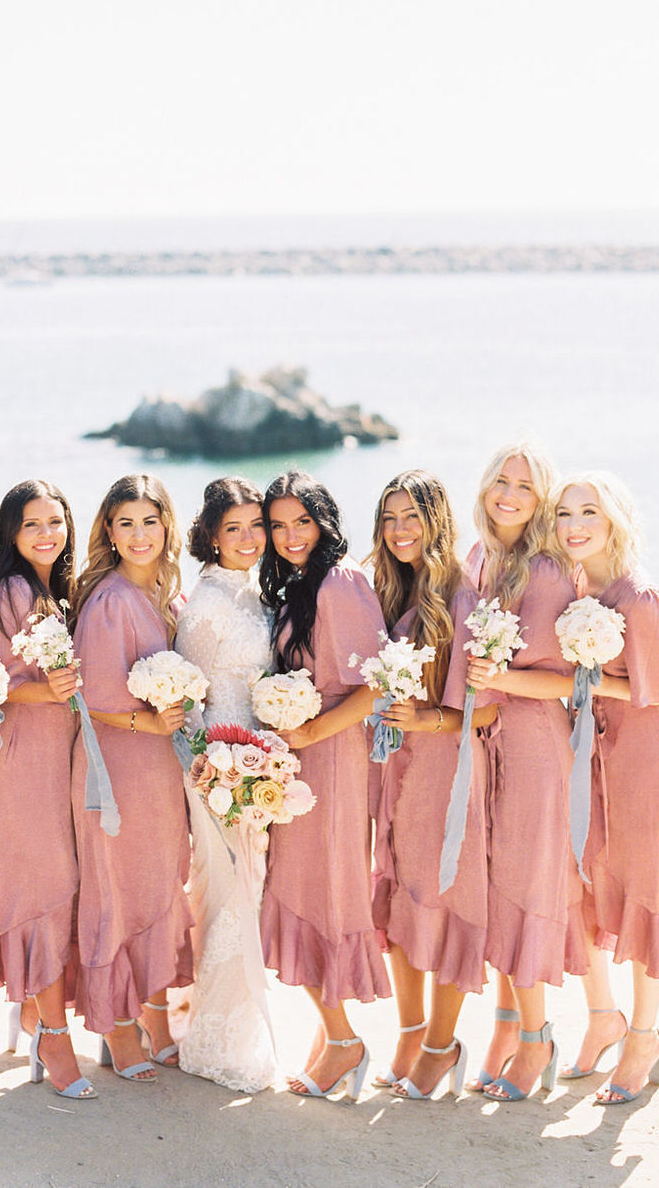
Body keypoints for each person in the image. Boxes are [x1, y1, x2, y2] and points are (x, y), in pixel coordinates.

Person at [552, 473, 659, 1105]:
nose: (575, 524)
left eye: (589, 511)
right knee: (579, 880)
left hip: (645, 759)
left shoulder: (640, 597)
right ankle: (602, 1014)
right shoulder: (574, 589)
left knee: (643, 890)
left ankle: (644, 1036)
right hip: (590, 754)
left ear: (613, 520)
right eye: (564, 513)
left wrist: (584, 683)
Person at [460, 443, 587, 1101]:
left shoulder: (546, 571)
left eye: (526, 487)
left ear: (541, 502)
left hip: (536, 745)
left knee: (522, 886)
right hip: (485, 742)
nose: (509, 494)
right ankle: (509, 1026)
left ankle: (538, 1038)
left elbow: (567, 676)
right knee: (493, 886)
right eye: (501, 481)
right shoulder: (481, 558)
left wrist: (499, 677)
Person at [258, 470, 390, 1101]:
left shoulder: (342, 582)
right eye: (278, 525)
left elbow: (375, 684)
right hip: (297, 760)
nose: (289, 536)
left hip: (332, 760)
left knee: (324, 892)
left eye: (301, 522)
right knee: (297, 887)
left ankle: (345, 1040)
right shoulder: (296, 585)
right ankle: (331, 1034)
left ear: (324, 520)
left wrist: (313, 735)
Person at [368, 472, 498, 1100]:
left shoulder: (462, 600)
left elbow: (489, 709)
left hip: (446, 773)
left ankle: (443, 1046)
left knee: (444, 902)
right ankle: (410, 1031)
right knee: (398, 903)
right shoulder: (389, 591)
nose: (399, 530)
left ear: (437, 520)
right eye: (390, 517)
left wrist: (426, 718)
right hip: (397, 772)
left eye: (412, 516)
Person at [71, 473, 193, 1083]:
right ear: (109, 532)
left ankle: (154, 1013)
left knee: (158, 885)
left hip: (160, 772)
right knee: (116, 889)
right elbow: (92, 699)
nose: (139, 535)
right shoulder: (111, 600)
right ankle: (117, 1028)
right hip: (116, 768)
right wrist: (151, 721)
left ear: (167, 525)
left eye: (150, 521)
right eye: (126, 524)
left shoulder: (169, 597)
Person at [0, 480, 94, 1098]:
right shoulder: (12, 591)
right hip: (23, 757)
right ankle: (52, 1031)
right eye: (32, 525)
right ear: (11, 535)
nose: (48, 534)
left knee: (65, 883)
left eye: (56, 521)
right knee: (46, 885)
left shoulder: (57, 590)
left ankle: (36, 1009)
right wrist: (40, 691)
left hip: (62, 756)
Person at [174, 476, 275, 1092]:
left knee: (249, 890)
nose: (247, 538)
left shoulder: (252, 594)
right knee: (228, 891)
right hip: (217, 765)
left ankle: (228, 1026)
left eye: (255, 526)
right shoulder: (207, 604)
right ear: (210, 534)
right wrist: (207, 766)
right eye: (232, 528)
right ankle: (219, 1040)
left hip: (258, 759)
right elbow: (187, 698)